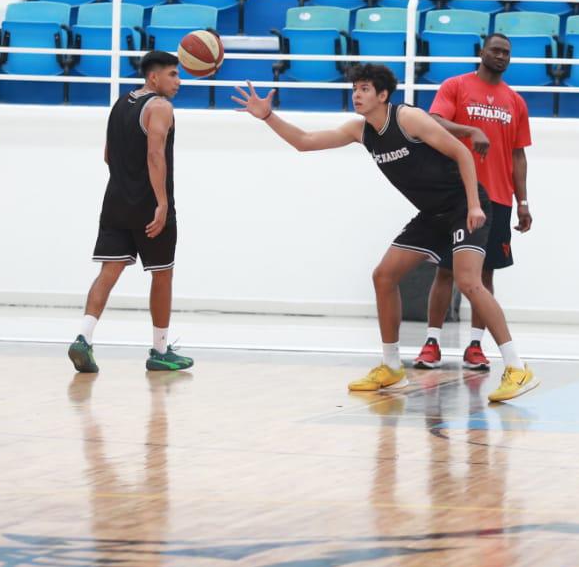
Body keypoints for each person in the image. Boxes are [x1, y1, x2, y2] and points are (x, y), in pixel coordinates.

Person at [231, 64, 539, 403]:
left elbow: (462, 153)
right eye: (355, 89)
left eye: (364, 89)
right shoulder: (360, 130)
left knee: (469, 282)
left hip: (464, 205)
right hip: (432, 215)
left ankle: (517, 366)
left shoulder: (409, 118)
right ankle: (392, 369)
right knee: (383, 276)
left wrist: (473, 206)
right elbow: (305, 142)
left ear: (382, 95)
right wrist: (267, 117)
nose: (357, 95)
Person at [68, 51, 193, 375]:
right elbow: (155, 156)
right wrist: (162, 203)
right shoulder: (161, 107)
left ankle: (84, 337)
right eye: (173, 74)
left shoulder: (121, 103)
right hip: (150, 205)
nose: (179, 81)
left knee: (108, 273)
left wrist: (127, 181)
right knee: (162, 274)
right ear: (154, 78)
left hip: (116, 201)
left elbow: (108, 155)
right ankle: (161, 350)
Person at [414, 33, 533, 372]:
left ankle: (476, 346)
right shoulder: (456, 86)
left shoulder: (516, 101)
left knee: (485, 274)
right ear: (482, 52)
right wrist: (469, 130)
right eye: (496, 50)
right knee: (446, 270)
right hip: (457, 195)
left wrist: (522, 200)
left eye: (507, 53)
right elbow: (432, 121)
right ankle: (432, 342)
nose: (501, 56)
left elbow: (518, 155)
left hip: (497, 198)